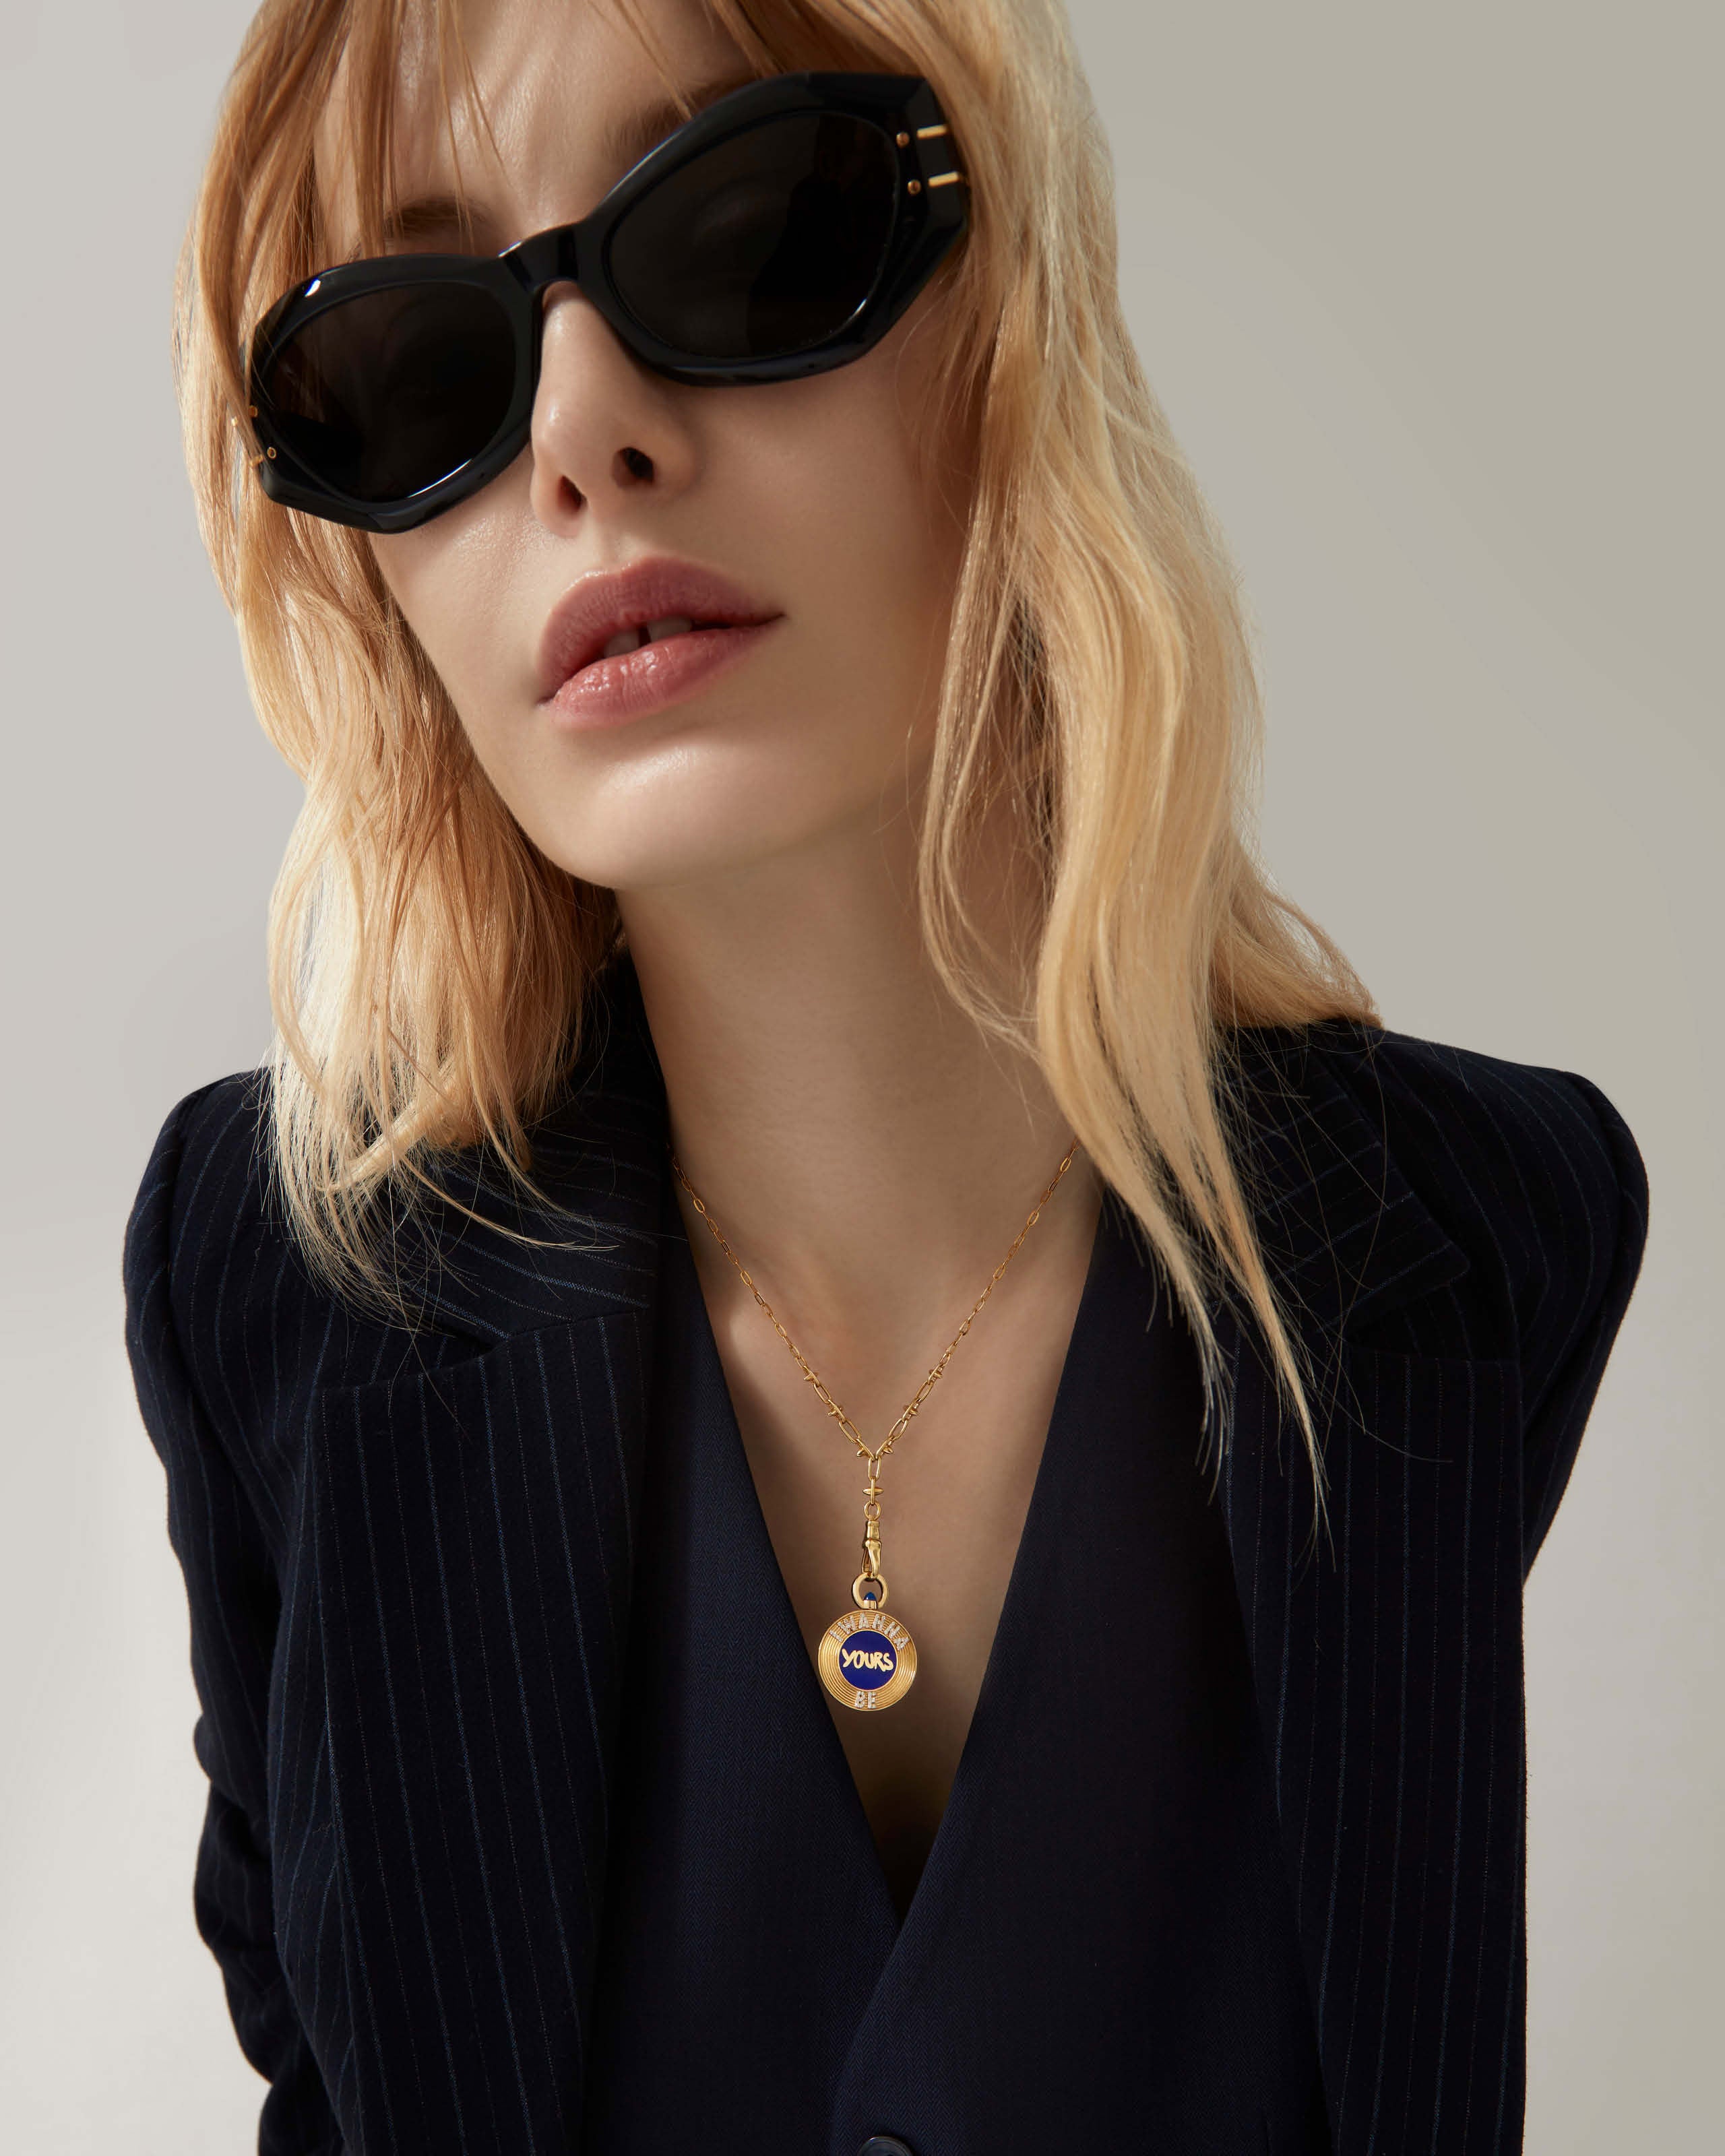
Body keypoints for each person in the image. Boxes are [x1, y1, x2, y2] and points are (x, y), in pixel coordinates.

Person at [123, 1, 1648, 2151]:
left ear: (1016, 319)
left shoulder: (1484, 1240)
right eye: (407, 368)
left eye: (745, 233)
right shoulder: (277, 1285)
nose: (582, 435)